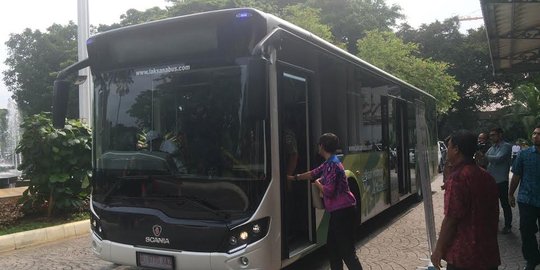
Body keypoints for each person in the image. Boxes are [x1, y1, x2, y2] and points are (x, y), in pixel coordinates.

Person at [288, 133, 363, 270]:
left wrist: (317, 183)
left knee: (347, 253)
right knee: (333, 250)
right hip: (338, 213)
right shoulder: (329, 163)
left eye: (319, 144)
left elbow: (328, 191)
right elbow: (313, 173)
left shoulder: (333, 165)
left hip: (343, 213)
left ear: (322, 146)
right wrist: (294, 178)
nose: (318, 146)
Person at [431, 130, 500, 270]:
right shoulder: (486, 176)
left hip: (464, 256)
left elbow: (451, 219)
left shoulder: (458, 178)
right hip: (488, 253)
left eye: (449, 147)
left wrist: (438, 249)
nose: (447, 151)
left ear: (456, 150)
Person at [508, 124, 540, 270]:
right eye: (534, 133)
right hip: (527, 199)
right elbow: (516, 176)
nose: (535, 136)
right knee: (526, 230)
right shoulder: (524, 154)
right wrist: (510, 194)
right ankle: (532, 259)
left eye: (538, 134)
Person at [485, 127, 513, 234]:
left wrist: (487, 156)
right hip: (491, 181)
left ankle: (508, 225)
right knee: (492, 204)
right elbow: (488, 158)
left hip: (501, 180)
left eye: (494, 135)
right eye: (491, 135)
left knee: (505, 204)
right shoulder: (492, 148)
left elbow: (499, 158)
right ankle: (493, 224)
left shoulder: (506, 146)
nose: (491, 137)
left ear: (500, 135)